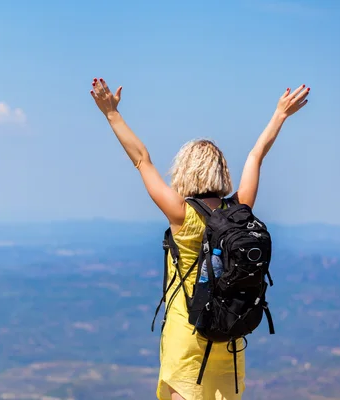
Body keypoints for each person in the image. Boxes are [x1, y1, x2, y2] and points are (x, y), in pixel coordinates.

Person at [89, 77, 309, 400]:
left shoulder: (181, 213)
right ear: (220, 171)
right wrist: (279, 114)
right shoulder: (239, 210)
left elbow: (141, 159)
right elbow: (255, 156)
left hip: (188, 347)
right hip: (229, 347)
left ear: (185, 170)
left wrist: (111, 114)